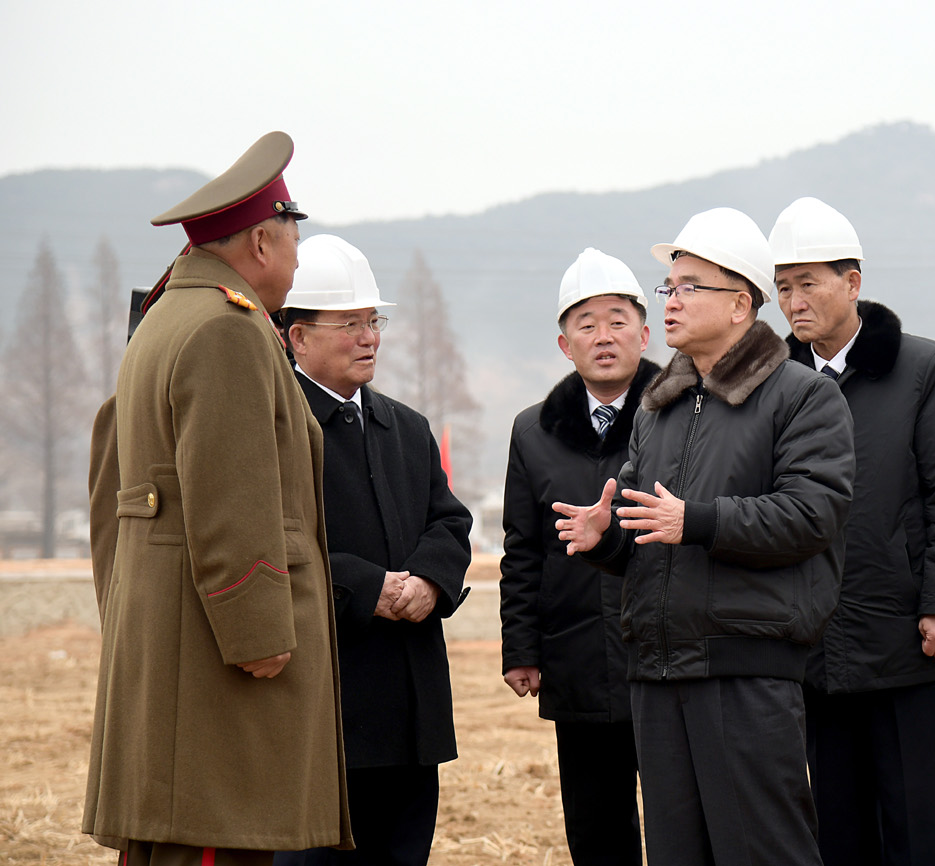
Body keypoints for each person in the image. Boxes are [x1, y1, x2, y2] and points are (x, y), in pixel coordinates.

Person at [555, 207, 855, 866]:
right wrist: (606, 535)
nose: (670, 301)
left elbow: (812, 514)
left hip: (746, 671)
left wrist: (698, 521)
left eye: (690, 286)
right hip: (657, 671)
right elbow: (645, 526)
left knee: (763, 852)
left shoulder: (801, 397)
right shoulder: (658, 406)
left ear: (742, 304)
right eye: (669, 286)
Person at [84, 132, 352, 865]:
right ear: (263, 241)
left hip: (172, 644)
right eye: (295, 237)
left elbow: (119, 489)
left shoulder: (169, 318)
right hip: (215, 667)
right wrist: (258, 632)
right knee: (211, 847)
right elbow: (231, 499)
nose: (298, 256)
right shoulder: (226, 331)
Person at [770, 197, 935, 866]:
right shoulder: (773, 384)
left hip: (902, 634)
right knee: (836, 824)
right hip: (809, 642)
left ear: (853, 282)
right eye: (783, 286)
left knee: (918, 821)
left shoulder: (923, 370)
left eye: (809, 282)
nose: (794, 300)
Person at [273, 234, 473, 866]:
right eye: (349, 324)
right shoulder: (275, 428)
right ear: (296, 337)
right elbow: (274, 544)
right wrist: (369, 588)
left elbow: (450, 521)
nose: (369, 338)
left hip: (411, 708)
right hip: (325, 708)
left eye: (372, 321)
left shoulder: (404, 427)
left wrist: (430, 581)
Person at [500, 247, 658, 866]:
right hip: (577, 655)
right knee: (596, 830)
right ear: (565, 344)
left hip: (666, 653)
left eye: (618, 320)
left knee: (680, 818)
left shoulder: (686, 415)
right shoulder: (532, 432)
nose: (604, 336)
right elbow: (522, 546)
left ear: (645, 334)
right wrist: (522, 648)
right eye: (586, 323)